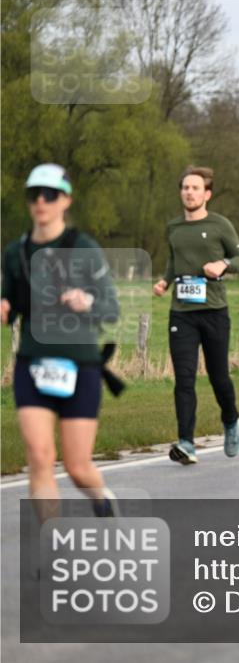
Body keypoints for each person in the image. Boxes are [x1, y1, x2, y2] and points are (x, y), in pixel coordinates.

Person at [1, 164, 120, 520]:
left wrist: (88, 302)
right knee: (39, 456)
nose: (41, 201)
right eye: (34, 194)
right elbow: (10, 304)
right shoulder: (15, 252)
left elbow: (111, 309)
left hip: (79, 365)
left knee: (77, 467)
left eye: (50, 194)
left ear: (65, 199)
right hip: (32, 364)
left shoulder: (83, 247)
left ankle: (100, 497)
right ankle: (50, 542)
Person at [153, 166, 239, 464]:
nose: (189, 192)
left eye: (195, 188)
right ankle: (186, 443)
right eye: (185, 188)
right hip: (182, 313)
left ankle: (231, 421)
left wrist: (223, 265)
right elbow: (173, 259)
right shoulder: (173, 228)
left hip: (214, 311)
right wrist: (165, 281)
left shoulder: (220, 225)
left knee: (219, 377)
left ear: (207, 194)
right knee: (184, 379)